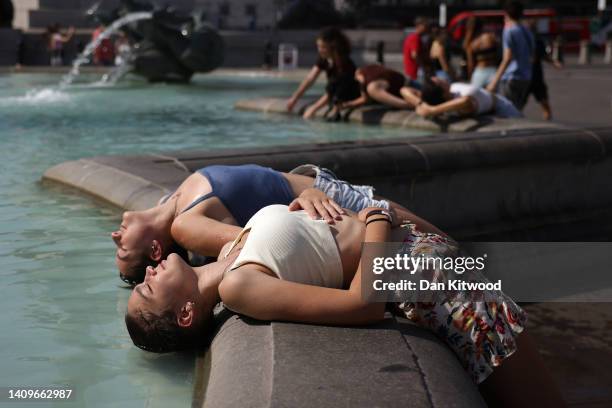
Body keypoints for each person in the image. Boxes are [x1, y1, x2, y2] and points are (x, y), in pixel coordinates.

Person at [124, 204, 566, 407]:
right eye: (146, 289)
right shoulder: (238, 289)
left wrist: (301, 206)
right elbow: (363, 305)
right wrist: (376, 220)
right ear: (185, 313)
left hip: (429, 262)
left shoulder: (226, 255)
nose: (147, 274)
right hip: (438, 286)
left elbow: (188, 219)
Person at [112, 164, 434, 284]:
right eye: (123, 251)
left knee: (446, 250)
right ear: (156, 250)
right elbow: (250, 244)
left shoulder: (169, 202)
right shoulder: (185, 226)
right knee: (445, 247)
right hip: (332, 206)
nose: (115, 236)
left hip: (318, 190)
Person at [286, 27, 359, 119]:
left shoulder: (346, 66)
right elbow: (310, 79)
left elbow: (335, 91)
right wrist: (294, 99)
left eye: (323, 47)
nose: (319, 50)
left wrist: (314, 108)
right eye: (318, 46)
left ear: (333, 46)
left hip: (348, 96)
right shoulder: (325, 58)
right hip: (335, 95)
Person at [486, 1, 534, 111]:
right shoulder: (527, 31)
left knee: (507, 110)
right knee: (517, 109)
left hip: (512, 77)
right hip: (526, 76)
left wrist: (494, 81)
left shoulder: (509, 31)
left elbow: (507, 58)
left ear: (506, 14)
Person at [415, 77, 522, 119]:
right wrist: (433, 110)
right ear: (443, 94)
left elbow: (404, 90)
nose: (443, 79)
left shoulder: (445, 100)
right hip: (503, 108)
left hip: (496, 106)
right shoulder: (464, 97)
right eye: (440, 82)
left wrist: (423, 105)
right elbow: (466, 101)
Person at [525, 19, 563, 121]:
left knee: (544, 102)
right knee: (518, 105)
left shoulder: (538, 42)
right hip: (525, 77)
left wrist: (555, 63)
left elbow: (544, 56)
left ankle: (548, 121)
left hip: (535, 77)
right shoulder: (522, 42)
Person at [340, 64, 421, 110]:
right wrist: (349, 104)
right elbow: (365, 98)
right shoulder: (364, 70)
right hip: (410, 83)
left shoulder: (370, 86)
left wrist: (411, 105)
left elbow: (366, 97)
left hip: (409, 90)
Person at [463, 16, 500, 89]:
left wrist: (471, 77)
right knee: (493, 98)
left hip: (479, 73)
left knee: (477, 99)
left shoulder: (471, 43)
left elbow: (471, 64)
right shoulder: (490, 37)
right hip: (493, 71)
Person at [403, 17, 430, 82]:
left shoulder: (412, 37)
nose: (427, 28)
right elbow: (415, 55)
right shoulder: (415, 38)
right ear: (418, 26)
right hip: (415, 71)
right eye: (425, 26)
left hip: (412, 71)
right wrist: (423, 66)